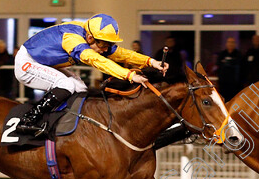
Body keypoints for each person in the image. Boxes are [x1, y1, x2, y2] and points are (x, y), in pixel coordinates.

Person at [14, 13, 167, 135]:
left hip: (43, 62)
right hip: (28, 63)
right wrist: (129, 75)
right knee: (66, 84)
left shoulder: (93, 37)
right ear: (90, 37)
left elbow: (120, 53)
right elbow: (96, 60)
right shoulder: (72, 39)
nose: (105, 49)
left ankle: (71, 125)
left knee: (80, 87)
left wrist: (151, 62)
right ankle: (28, 121)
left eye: (109, 44)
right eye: (103, 44)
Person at [216, 37, 243, 101]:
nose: (230, 44)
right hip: (223, 84)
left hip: (236, 85)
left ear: (235, 44)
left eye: (232, 42)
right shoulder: (222, 54)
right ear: (226, 44)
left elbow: (242, 69)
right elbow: (218, 67)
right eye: (229, 42)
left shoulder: (239, 55)